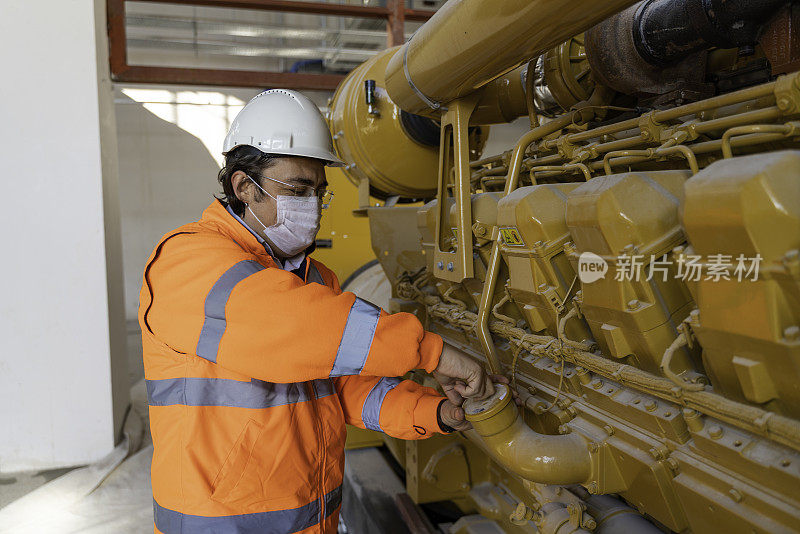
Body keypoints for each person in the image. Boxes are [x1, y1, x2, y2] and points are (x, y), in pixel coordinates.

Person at [139, 89, 496, 533]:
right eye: (297, 190)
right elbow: (286, 325)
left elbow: (346, 391)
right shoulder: (186, 261)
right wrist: (432, 353)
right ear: (244, 187)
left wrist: (436, 413)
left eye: (318, 193)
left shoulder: (314, 279)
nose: (311, 207)